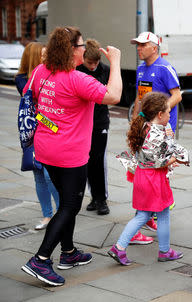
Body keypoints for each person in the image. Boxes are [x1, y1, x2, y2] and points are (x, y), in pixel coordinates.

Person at [20, 26, 122, 286]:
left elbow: (29, 97)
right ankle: (41, 260)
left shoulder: (41, 72)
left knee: (65, 200)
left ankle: (68, 253)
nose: (83, 50)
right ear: (70, 50)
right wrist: (117, 61)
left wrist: (52, 121)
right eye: (79, 46)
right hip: (70, 154)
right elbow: (114, 95)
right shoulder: (77, 79)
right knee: (70, 206)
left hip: (45, 149)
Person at [108, 92, 189, 265]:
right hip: (154, 179)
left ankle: (121, 247)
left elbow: (153, 153)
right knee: (161, 214)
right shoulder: (156, 134)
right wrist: (179, 158)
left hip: (143, 176)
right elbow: (161, 161)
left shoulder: (145, 126)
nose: (170, 114)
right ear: (160, 115)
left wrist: (168, 137)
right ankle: (162, 251)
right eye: (168, 112)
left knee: (144, 215)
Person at [130, 31, 181, 234]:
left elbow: (177, 95)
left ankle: (158, 207)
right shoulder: (141, 68)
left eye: (142, 45)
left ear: (154, 47)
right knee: (147, 168)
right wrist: (135, 121)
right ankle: (152, 211)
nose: (138, 48)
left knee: (159, 169)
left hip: (162, 128)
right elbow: (139, 97)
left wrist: (158, 114)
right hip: (145, 128)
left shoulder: (164, 67)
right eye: (137, 45)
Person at [15, 42, 60, 231]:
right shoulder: (24, 78)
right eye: (42, 55)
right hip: (33, 128)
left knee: (50, 176)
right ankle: (47, 215)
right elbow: (32, 98)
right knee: (39, 175)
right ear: (34, 57)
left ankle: (62, 212)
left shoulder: (49, 74)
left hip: (47, 129)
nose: (45, 58)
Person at [76, 39, 111, 215]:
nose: (93, 66)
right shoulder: (77, 71)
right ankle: (94, 197)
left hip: (99, 122)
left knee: (98, 160)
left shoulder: (105, 70)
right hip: (83, 123)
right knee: (87, 161)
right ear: (83, 58)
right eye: (90, 62)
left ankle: (102, 199)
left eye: (96, 63)